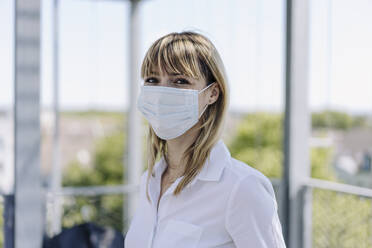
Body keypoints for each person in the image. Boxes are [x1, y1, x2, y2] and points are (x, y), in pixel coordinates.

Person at [124, 31, 286, 248]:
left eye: (180, 80)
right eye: (152, 80)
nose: (162, 93)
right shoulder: (149, 181)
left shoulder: (242, 187)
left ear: (213, 93)